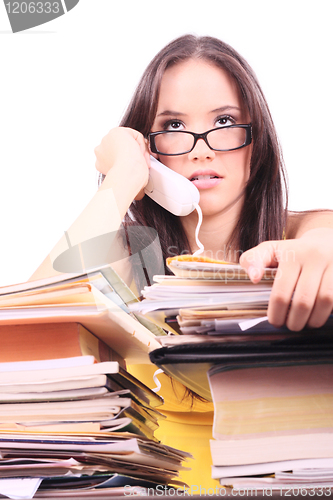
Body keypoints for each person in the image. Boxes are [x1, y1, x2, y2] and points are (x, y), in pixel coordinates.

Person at [31, 34, 333, 489]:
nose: (200, 147)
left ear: (259, 142)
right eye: (173, 126)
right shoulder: (125, 255)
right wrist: (122, 177)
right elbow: (28, 334)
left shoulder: (306, 232)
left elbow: (324, 243)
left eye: (225, 120)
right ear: (149, 146)